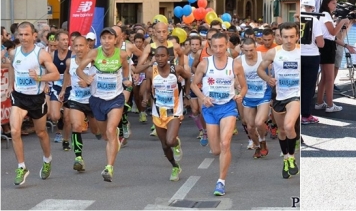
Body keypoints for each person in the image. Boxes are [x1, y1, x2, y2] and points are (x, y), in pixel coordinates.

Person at [190, 32, 247, 196]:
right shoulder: (204, 64)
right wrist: (202, 97)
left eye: (221, 46)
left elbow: (243, 86)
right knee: (215, 150)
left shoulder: (235, 64)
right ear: (209, 46)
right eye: (214, 46)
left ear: (227, 44)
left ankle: (221, 181)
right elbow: (194, 85)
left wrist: (240, 95)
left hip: (228, 107)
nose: (218, 49)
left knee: (225, 143)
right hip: (210, 108)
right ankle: (213, 143)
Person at [76, 27, 131, 182]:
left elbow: (126, 66)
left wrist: (126, 78)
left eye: (110, 38)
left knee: (111, 129)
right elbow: (79, 69)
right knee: (105, 135)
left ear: (115, 40)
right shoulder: (94, 53)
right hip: (97, 99)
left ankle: (109, 168)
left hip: (115, 98)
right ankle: (113, 141)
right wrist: (86, 78)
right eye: (104, 38)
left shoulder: (121, 54)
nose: (107, 41)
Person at [8, 22, 60, 186]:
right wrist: (11, 86)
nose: (23, 38)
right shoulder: (14, 53)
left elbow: (56, 75)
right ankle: (21, 167)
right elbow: (11, 67)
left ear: (33, 36)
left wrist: (39, 78)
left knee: (41, 133)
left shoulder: (41, 54)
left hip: (36, 98)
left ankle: (47, 159)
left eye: (26, 34)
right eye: (20, 35)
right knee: (15, 130)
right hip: (19, 97)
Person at [258, 22, 300, 179]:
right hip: (279, 96)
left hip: (295, 95)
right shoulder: (273, 52)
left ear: (297, 36)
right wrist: (268, 79)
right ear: (280, 37)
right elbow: (260, 69)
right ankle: (286, 159)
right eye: (286, 37)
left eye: (292, 37)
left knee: (289, 126)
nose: (289, 40)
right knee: (282, 131)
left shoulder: (301, 52)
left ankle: (292, 158)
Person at [142, 46, 190, 181]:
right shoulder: (151, 71)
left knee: (170, 140)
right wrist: (145, 99)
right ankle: (175, 167)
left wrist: (186, 96)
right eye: (157, 56)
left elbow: (189, 78)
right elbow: (147, 88)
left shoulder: (177, 69)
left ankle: (176, 143)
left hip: (174, 110)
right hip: (158, 111)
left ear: (168, 57)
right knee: (164, 145)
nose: (160, 59)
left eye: (163, 56)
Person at [63, 36, 101, 172]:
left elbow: (101, 78)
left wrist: (87, 82)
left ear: (87, 47)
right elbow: (67, 74)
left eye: (81, 46)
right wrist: (63, 89)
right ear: (72, 47)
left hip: (92, 99)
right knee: (77, 126)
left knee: (95, 130)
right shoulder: (70, 62)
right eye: (76, 46)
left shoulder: (94, 61)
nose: (78, 49)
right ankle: (78, 158)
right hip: (76, 99)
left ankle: (99, 131)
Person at [316, 0, 349, 112]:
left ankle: (320, 102)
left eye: (336, 3)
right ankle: (330, 105)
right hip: (327, 46)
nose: (335, 5)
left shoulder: (324, 15)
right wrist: (342, 21)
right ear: (327, 3)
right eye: (333, 3)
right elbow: (333, 32)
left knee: (325, 77)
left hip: (326, 45)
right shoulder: (325, 15)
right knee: (329, 78)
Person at [240, 38, 271, 159]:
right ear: (242, 48)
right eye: (246, 50)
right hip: (248, 95)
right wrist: (238, 84)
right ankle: (257, 146)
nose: (249, 53)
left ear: (255, 48)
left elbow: (271, 73)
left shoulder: (263, 57)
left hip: (263, 94)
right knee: (250, 127)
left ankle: (263, 141)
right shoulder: (239, 61)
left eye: (251, 50)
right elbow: (237, 76)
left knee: (259, 122)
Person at [48, 31, 73, 151]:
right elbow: (46, 70)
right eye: (62, 40)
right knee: (54, 116)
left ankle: (66, 140)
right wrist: (44, 84)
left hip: (69, 88)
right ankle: (61, 116)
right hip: (56, 87)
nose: (65, 42)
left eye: (66, 39)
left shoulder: (72, 54)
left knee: (68, 119)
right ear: (57, 42)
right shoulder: (52, 55)